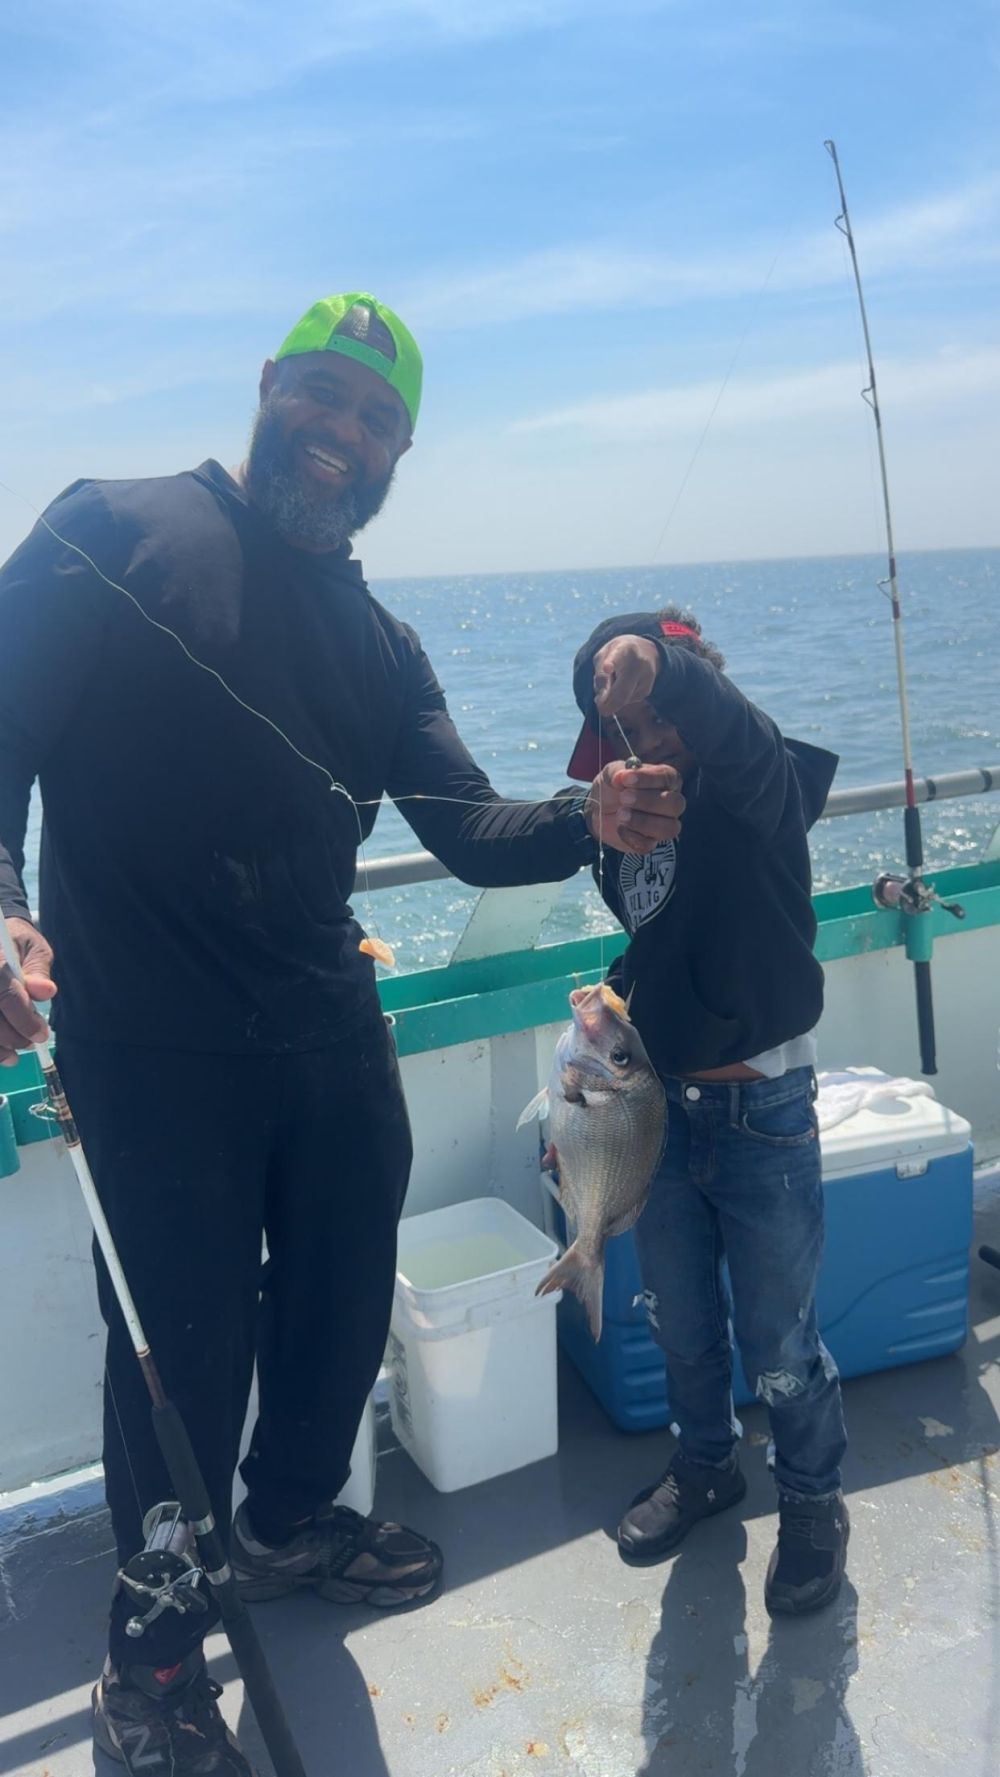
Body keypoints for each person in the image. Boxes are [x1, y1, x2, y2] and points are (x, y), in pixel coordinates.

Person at [0, 293, 684, 1777]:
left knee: (332, 1309)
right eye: (322, 392)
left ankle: (290, 1521)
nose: (341, 432)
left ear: (399, 454)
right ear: (268, 385)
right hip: (151, 1051)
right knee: (180, 1359)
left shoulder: (383, 644)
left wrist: (593, 817)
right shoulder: (107, 527)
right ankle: (153, 1657)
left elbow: (467, 825)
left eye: (376, 419)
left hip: (325, 1035)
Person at [565, 605, 849, 1616]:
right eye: (630, 725)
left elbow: (741, 739)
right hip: (658, 1114)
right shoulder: (629, 816)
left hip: (762, 1110)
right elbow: (663, 934)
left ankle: (811, 1500)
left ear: (704, 690)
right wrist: (611, 1006)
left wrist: (666, 671)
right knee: (679, 1324)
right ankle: (704, 1464)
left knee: (779, 1342)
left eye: (665, 711)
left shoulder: (758, 785)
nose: (652, 738)